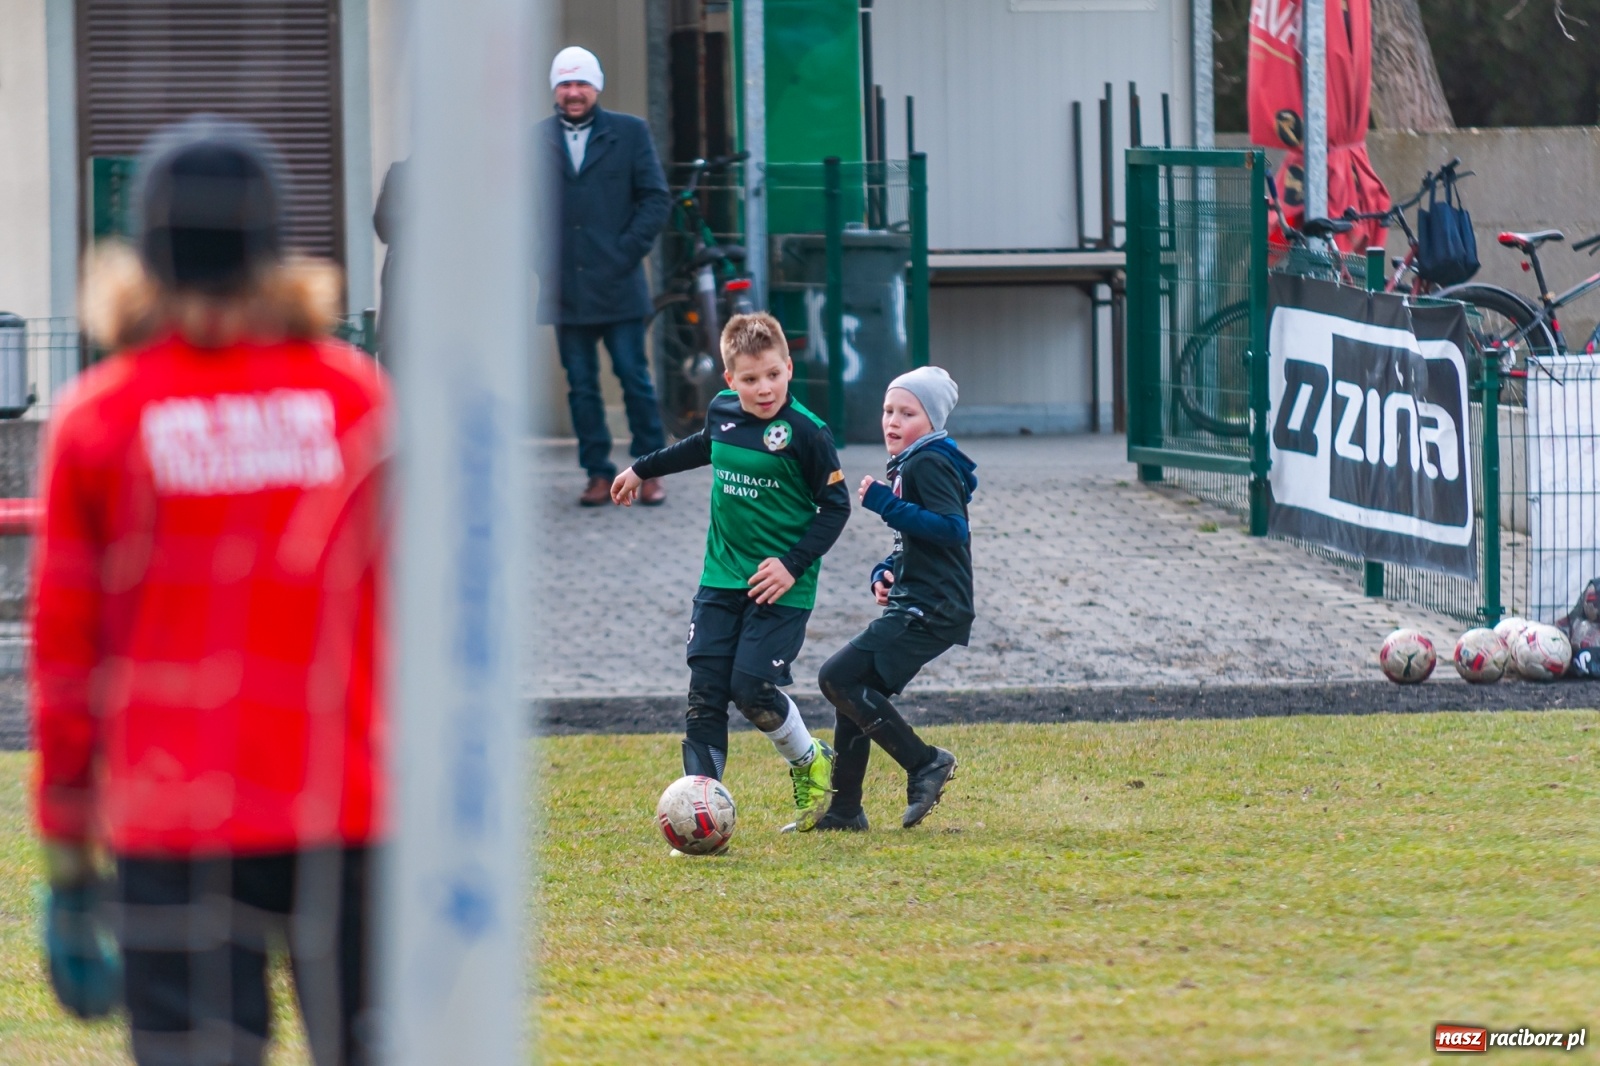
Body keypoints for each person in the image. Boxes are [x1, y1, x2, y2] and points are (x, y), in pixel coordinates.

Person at [32, 116, 387, 1066]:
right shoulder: (355, 401)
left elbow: (67, 657)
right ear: (273, 243)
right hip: (346, 810)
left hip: (173, 818)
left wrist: (68, 859)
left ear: (148, 249)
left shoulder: (99, 419)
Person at [611, 313, 847, 837]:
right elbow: (703, 446)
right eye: (749, 379)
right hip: (720, 577)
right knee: (706, 691)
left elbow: (835, 508)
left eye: (772, 375)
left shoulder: (808, 433)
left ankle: (810, 760)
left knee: (751, 688)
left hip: (780, 586)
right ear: (729, 380)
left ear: (788, 368)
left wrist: (791, 565)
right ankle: (698, 816)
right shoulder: (722, 414)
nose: (763, 389)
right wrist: (642, 468)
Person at [814, 366, 975, 830]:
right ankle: (845, 811)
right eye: (888, 410)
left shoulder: (929, 462)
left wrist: (886, 503)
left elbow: (951, 529)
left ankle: (925, 762)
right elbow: (914, 541)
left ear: (933, 421)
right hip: (919, 600)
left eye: (908, 412)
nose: (893, 421)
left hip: (933, 608)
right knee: (853, 690)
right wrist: (884, 571)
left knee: (837, 678)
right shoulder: (913, 461)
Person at [538, 45, 673, 507]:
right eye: (565, 84)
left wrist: (624, 252)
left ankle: (650, 471)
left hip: (619, 283)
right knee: (581, 386)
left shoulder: (630, 133)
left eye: (581, 84)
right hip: (565, 288)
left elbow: (655, 199)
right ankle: (597, 474)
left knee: (634, 377)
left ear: (596, 87)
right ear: (555, 89)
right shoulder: (535, 140)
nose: (573, 93)